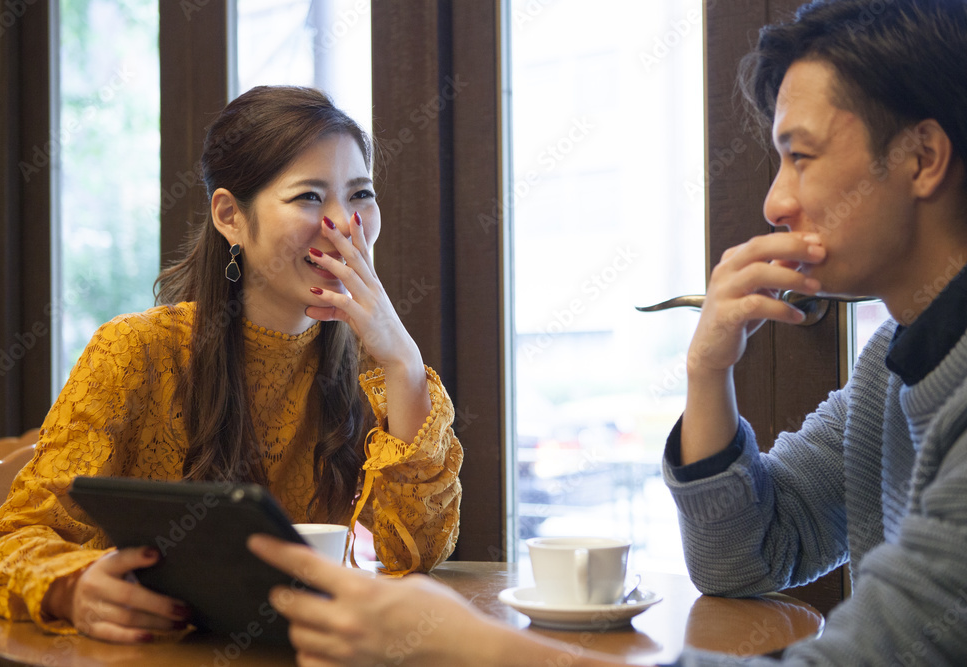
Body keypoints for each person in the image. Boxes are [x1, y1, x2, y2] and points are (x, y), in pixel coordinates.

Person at [245, 0, 967, 664]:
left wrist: (481, 650)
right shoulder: (892, 367)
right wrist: (708, 369)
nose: (776, 201)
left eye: (800, 156)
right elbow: (744, 558)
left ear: (923, 157)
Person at [0, 86, 463, 644]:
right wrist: (70, 588)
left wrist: (403, 361)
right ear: (230, 216)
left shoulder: (375, 372)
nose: (343, 225)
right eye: (308, 197)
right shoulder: (136, 352)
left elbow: (411, 555)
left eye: (360, 194)